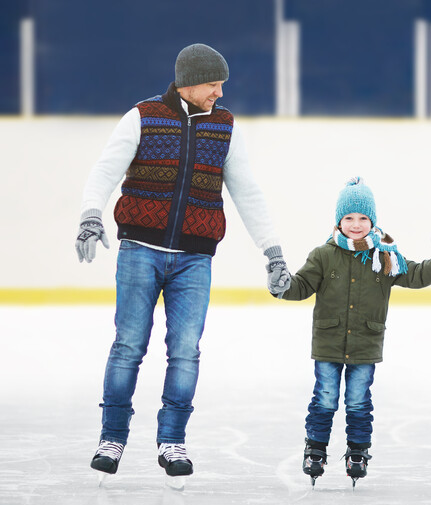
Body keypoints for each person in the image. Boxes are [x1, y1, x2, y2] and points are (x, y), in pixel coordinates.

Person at [75, 43, 292, 482]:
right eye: (214, 85)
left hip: (195, 258)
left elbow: (247, 191)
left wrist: (273, 251)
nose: (219, 94)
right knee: (128, 347)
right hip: (140, 250)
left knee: (186, 353)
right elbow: (104, 171)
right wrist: (90, 216)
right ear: (190, 81)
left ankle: (172, 441)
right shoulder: (143, 116)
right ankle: (111, 438)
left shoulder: (225, 128)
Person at [276, 177, 431, 487]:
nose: (356, 224)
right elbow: (301, 286)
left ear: (372, 220)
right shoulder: (323, 254)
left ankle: (357, 451)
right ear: (339, 221)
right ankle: (316, 448)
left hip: (365, 343)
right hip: (329, 341)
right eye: (349, 218)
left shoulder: (385, 255)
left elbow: (416, 275)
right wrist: (282, 286)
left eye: (362, 218)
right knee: (326, 398)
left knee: (359, 400)